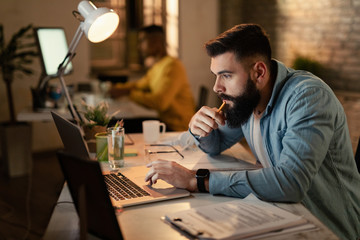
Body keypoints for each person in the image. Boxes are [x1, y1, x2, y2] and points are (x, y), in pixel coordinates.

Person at [145, 23, 360, 239]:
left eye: (226, 76)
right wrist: (203, 130)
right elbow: (217, 144)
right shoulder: (249, 99)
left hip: (328, 228)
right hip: (281, 218)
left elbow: (291, 182)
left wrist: (197, 180)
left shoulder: (307, 98)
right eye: (216, 75)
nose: (216, 87)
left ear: (259, 72)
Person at [109, 25, 195, 131]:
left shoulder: (172, 66)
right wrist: (117, 88)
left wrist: (128, 93)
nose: (139, 47)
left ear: (156, 42)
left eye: (142, 41)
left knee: (115, 126)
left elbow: (160, 102)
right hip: (164, 122)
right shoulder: (158, 66)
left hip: (176, 128)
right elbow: (139, 84)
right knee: (114, 122)